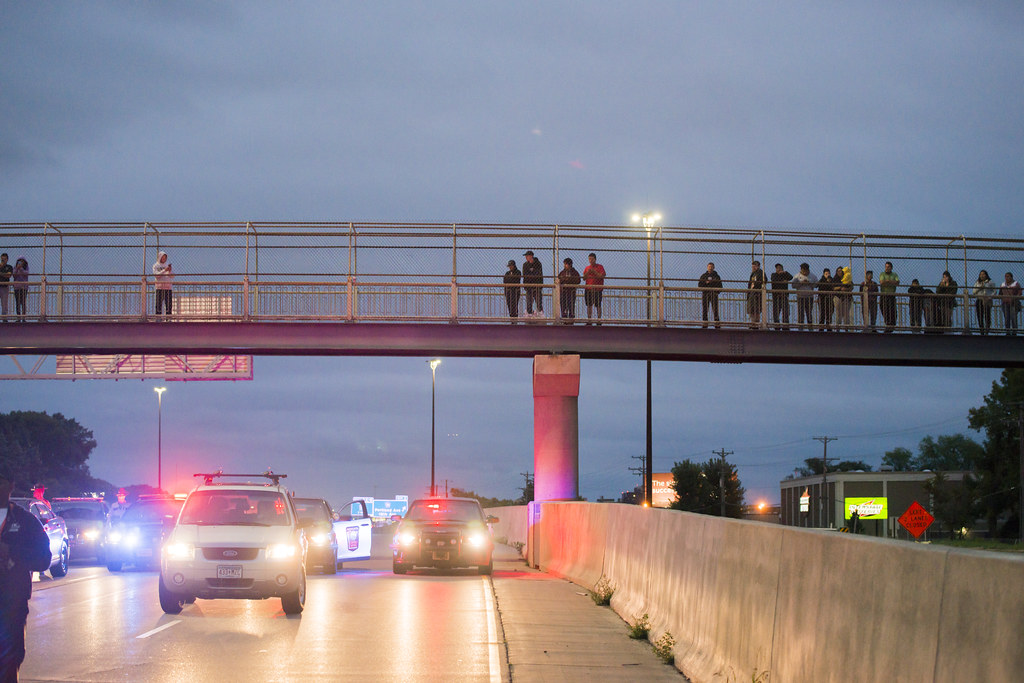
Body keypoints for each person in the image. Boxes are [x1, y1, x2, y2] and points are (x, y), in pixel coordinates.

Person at [0, 463, 52, 682]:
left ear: (10, 486)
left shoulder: (25, 521)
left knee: (10, 657)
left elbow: (44, 559)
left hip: (12, 604)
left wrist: (12, 552)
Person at [790, 263, 817, 329]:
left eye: (805, 270)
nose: (804, 272)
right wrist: (801, 283)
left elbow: (816, 285)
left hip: (809, 297)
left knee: (809, 313)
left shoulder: (812, 276)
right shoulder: (797, 276)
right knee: (800, 313)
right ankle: (800, 327)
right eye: (803, 270)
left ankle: (810, 327)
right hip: (800, 297)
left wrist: (809, 283)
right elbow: (793, 285)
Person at [582, 253, 606, 325]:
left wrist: (594, 272)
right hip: (588, 289)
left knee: (598, 305)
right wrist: (588, 272)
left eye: (592, 259)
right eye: (589, 259)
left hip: (597, 289)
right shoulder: (587, 268)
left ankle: (599, 320)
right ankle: (589, 320)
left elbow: (602, 276)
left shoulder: (600, 267)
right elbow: (584, 278)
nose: (590, 261)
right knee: (589, 305)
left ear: (595, 259)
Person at [697, 262, 722, 329]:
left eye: (711, 267)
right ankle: (705, 324)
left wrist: (716, 291)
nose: (710, 268)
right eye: (709, 266)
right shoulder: (704, 276)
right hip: (706, 294)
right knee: (705, 309)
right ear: (707, 267)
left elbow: (720, 286)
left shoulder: (717, 276)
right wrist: (706, 283)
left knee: (715, 309)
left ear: (714, 268)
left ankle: (717, 324)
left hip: (714, 295)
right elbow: (700, 285)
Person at [971, 270, 995, 335]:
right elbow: (974, 292)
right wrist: (980, 288)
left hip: (987, 300)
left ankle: (987, 329)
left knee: (987, 315)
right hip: (979, 299)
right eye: (981, 274)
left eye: (983, 274)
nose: (982, 275)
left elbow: (994, 291)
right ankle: (981, 330)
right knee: (980, 315)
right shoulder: (977, 282)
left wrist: (990, 297)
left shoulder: (990, 282)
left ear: (986, 275)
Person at [878, 261, 900, 332]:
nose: (887, 268)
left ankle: (891, 325)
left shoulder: (894, 274)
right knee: (884, 309)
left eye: (888, 267)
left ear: (891, 268)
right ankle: (887, 324)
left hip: (891, 295)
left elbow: (897, 283)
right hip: (884, 295)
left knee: (892, 310)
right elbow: (882, 282)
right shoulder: (882, 274)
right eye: (886, 267)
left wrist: (887, 281)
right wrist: (891, 282)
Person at [557, 257, 580, 323]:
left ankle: (571, 320)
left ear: (569, 265)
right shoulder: (562, 272)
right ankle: (564, 319)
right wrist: (563, 280)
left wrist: (569, 280)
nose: (564, 265)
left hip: (571, 293)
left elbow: (578, 280)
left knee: (571, 306)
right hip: (563, 293)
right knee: (563, 306)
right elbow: (559, 280)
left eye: (565, 264)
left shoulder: (574, 273)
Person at [770, 263, 792, 329]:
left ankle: (785, 326)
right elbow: (774, 280)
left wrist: (785, 273)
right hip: (776, 296)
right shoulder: (773, 275)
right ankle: (777, 327)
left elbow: (791, 277)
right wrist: (783, 281)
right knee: (776, 313)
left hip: (784, 296)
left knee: (785, 312)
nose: (778, 269)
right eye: (777, 268)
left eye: (780, 268)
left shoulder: (785, 274)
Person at [522, 251, 543, 318]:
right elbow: (525, 275)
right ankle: (529, 313)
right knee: (529, 301)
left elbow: (539, 275)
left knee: (538, 301)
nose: (526, 257)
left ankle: (540, 313)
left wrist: (540, 285)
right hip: (529, 287)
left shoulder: (538, 264)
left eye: (527, 256)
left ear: (531, 256)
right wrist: (525, 285)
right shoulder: (525, 265)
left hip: (537, 286)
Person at [152, 251, 174, 317]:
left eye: (165, 258)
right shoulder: (156, 266)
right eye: (163, 257)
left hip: (168, 288)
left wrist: (169, 271)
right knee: (158, 305)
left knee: (168, 305)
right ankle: (158, 318)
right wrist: (164, 270)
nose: (164, 259)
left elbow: (172, 276)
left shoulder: (167, 265)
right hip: (159, 288)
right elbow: (156, 275)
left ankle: (168, 318)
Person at [746, 261, 765, 328]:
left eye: (755, 266)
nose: (753, 267)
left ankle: (756, 323)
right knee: (751, 310)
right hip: (751, 294)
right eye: (753, 266)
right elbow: (749, 284)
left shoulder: (760, 273)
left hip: (757, 294)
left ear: (758, 266)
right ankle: (753, 323)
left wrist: (756, 284)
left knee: (756, 310)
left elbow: (764, 280)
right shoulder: (752, 274)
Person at [834, 266, 853, 331]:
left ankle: (846, 328)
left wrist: (846, 289)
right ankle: (838, 328)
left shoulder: (847, 278)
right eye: (838, 271)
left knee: (846, 314)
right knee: (838, 314)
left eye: (841, 271)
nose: (840, 272)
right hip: (838, 297)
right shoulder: (835, 279)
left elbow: (851, 287)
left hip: (847, 298)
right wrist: (840, 288)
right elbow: (833, 288)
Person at [0, 253, 11, 322]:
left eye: (4, 259)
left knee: (4, 303)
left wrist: (1, 274)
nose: (2, 261)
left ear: (7, 260)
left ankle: (4, 318)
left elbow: (8, 275)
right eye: (2, 259)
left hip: (4, 287)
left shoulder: (9, 267)